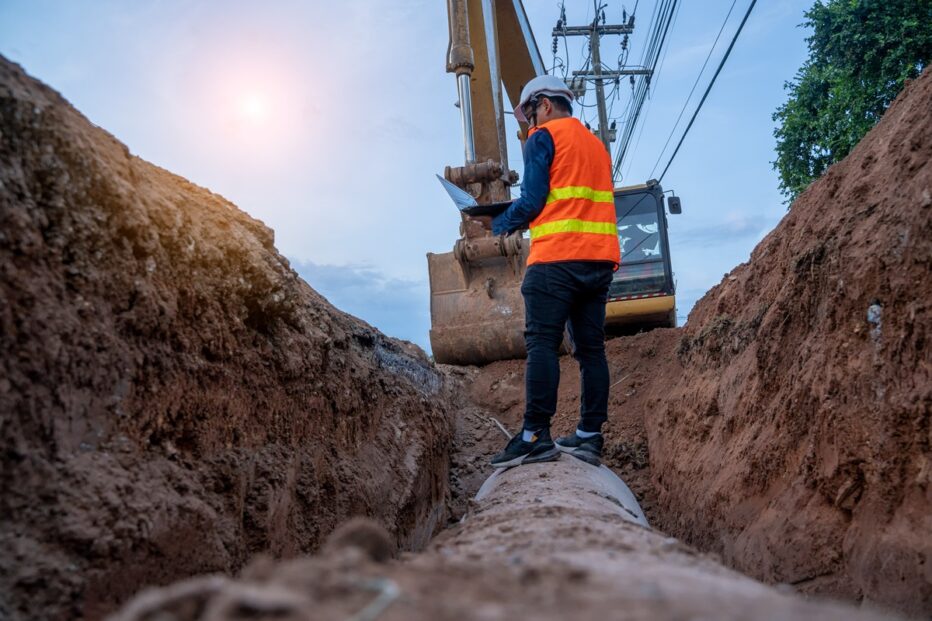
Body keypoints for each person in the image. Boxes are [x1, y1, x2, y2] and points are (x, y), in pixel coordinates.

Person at [488, 75, 620, 469]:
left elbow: (532, 202)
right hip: (598, 261)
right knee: (592, 351)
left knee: (542, 344)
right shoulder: (596, 146)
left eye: (530, 116)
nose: (529, 126)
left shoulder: (543, 138)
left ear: (544, 105)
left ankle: (534, 436)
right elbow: (568, 197)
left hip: (556, 259)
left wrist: (495, 223)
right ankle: (589, 436)